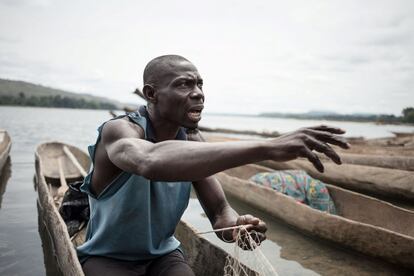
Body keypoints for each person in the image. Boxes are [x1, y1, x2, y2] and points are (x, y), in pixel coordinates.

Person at [76, 55, 349, 275]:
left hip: (164, 257)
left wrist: (236, 227)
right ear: (151, 93)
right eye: (184, 85)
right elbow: (149, 160)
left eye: (200, 85)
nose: (198, 94)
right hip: (108, 259)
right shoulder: (120, 131)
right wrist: (268, 147)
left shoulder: (194, 141)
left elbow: (219, 211)